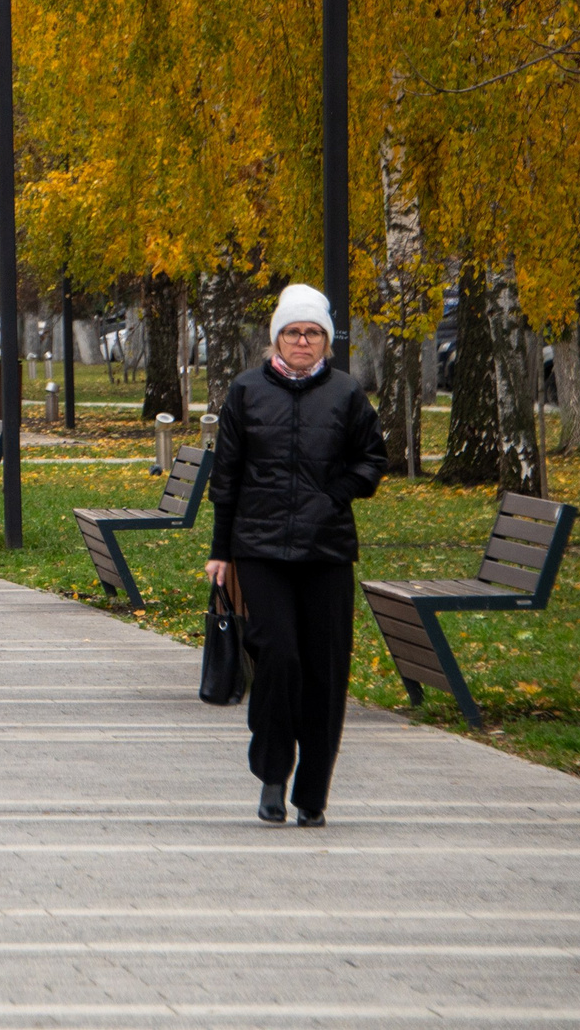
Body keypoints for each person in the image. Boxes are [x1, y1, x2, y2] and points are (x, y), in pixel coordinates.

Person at [204, 283, 386, 828]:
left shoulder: (347, 393)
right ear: (276, 339)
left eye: (312, 333)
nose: (302, 341)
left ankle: (313, 794)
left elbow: (372, 460)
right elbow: (225, 475)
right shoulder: (246, 391)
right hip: (259, 549)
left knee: (325, 672)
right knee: (279, 658)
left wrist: (335, 495)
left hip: (326, 550)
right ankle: (272, 775)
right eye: (292, 332)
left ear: (326, 341)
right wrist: (220, 551)